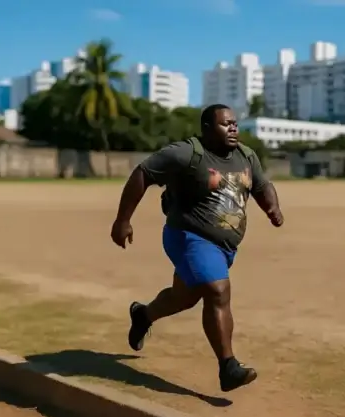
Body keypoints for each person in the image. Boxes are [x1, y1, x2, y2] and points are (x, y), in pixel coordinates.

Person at [109, 104, 284, 392]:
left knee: (185, 297)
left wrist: (272, 207)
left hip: (224, 246)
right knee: (216, 290)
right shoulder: (187, 153)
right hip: (188, 236)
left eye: (234, 123)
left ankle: (143, 315)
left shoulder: (246, 156)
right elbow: (143, 173)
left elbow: (262, 186)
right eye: (224, 124)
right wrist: (122, 220)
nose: (233, 128)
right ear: (206, 128)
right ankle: (228, 367)